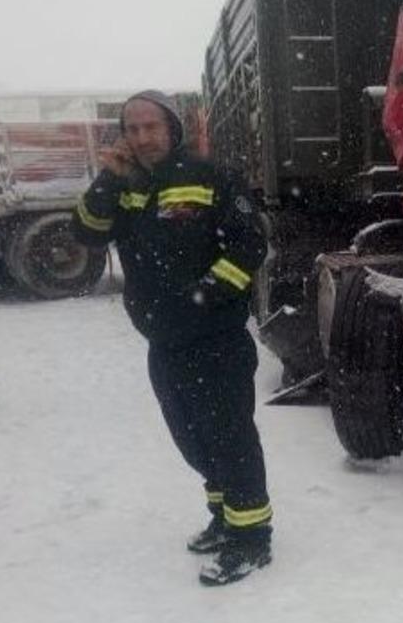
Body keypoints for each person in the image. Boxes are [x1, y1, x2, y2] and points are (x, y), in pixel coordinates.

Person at [72, 91, 272, 586]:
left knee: (230, 437)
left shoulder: (210, 177)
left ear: (172, 129)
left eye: (152, 127)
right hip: (164, 342)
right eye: (133, 129)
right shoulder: (126, 186)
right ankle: (225, 517)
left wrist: (207, 292)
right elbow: (87, 233)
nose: (142, 137)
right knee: (193, 438)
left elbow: (251, 244)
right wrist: (108, 179)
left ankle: (252, 538)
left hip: (216, 338)